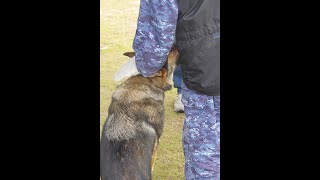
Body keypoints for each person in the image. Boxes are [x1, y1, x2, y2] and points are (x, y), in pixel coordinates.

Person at [133, 0, 220, 179]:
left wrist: (146, 66)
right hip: (206, 66)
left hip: (206, 74)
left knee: (206, 160)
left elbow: (158, 32)